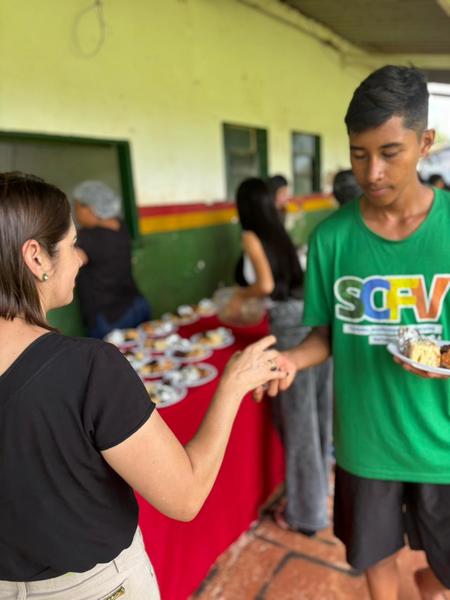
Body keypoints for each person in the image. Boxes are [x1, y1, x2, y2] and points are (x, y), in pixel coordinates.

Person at [0, 172, 287, 599]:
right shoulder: (87, 367)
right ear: (36, 258)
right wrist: (232, 384)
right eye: (73, 245)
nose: (79, 260)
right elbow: (185, 496)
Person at [258, 65, 450, 600]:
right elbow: (327, 335)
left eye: (390, 152)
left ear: (425, 143)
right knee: (374, 555)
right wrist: (293, 360)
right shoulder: (333, 238)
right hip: (366, 442)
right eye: (359, 154)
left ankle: (430, 582)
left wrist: (443, 358)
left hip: (443, 442)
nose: (373, 172)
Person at [230, 177, 332, 536]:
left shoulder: (250, 235)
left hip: (288, 332)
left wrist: (240, 297)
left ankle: (307, 515)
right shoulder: (278, 230)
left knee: (299, 425)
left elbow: (266, 286)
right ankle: (317, 494)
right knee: (318, 419)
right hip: (313, 324)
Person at [73, 180, 150, 338]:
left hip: (110, 317)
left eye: (77, 207)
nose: (75, 213)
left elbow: (72, 261)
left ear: (90, 208)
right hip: (137, 304)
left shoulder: (88, 238)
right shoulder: (121, 226)